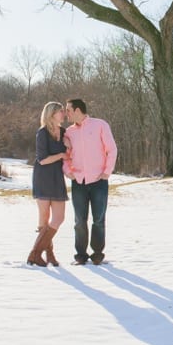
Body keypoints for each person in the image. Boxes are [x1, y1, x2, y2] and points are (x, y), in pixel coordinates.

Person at [63, 98, 117, 265]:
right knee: (79, 220)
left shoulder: (100, 125)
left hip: (98, 180)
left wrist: (107, 172)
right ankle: (80, 255)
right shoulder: (68, 132)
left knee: (99, 219)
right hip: (78, 181)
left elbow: (112, 150)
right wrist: (68, 172)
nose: (67, 114)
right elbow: (65, 155)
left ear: (78, 110)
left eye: (69, 110)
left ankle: (98, 254)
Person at [27, 101, 69, 267]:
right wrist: (61, 155)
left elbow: (68, 153)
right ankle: (47, 254)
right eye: (61, 111)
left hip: (57, 177)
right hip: (43, 177)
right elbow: (42, 160)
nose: (64, 114)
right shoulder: (42, 133)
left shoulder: (64, 132)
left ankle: (35, 253)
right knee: (44, 218)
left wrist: (69, 148)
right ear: (52, 114)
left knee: (59, 218)